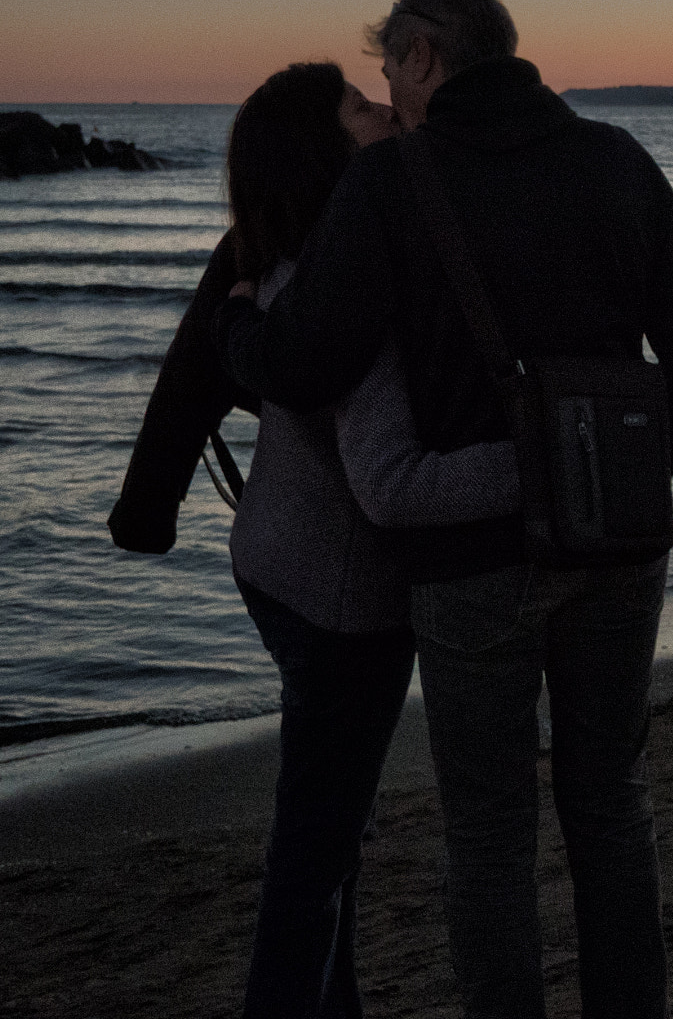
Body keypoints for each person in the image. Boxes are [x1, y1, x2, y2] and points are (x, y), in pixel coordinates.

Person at [218, 0, 673, 1019]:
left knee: (491, 837)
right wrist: (611, 480)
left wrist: (233, 327)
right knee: (612, 812)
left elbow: (306, 356)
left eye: (387, 77)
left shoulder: (393, 185)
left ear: (422, 57)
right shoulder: (616, 160)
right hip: (617, 549)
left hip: (471, 567)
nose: (390, 101)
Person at [113, 60, 519, 1019]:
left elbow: (199, 372)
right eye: (358, 104)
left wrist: (149, 509)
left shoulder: (292, 258)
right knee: (316, 853)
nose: (380, 108)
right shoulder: (347, 289)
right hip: (339, 601)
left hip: (276, 564)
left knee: (331, 833)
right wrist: (535, 462)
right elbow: (388, 485)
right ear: (320, 149)